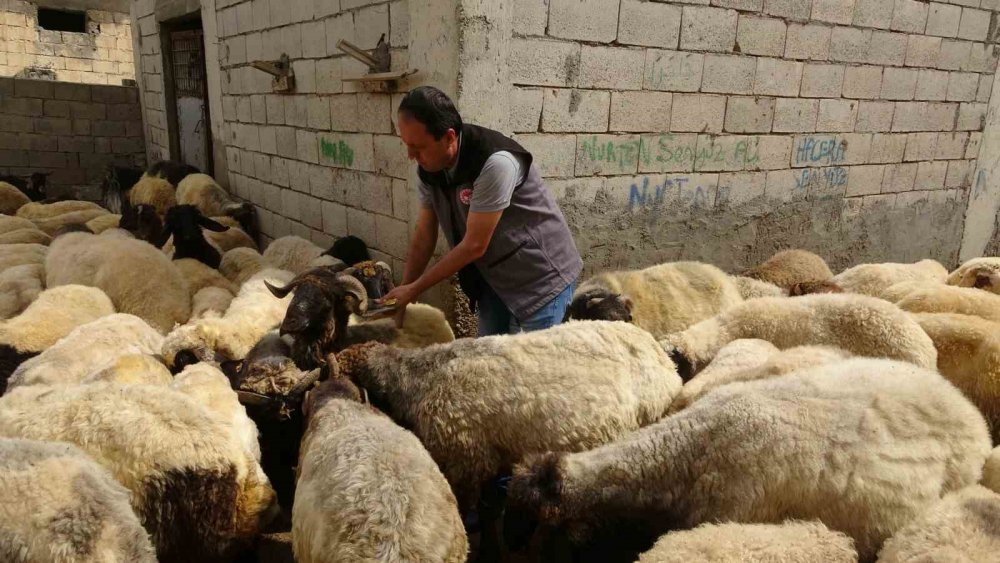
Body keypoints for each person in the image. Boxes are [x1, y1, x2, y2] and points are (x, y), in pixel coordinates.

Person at [380, 86, 583, 336]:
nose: (411, 155)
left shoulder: (495, 163)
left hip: (539, 280)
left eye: (418, 147)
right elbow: (424, 237)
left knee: (537, 368)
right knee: (489, 362)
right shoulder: (428, 168)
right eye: (407, 145)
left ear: (449, 137)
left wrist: (414, 290)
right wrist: (405, 292)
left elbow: (475, 244)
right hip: (494, 282)